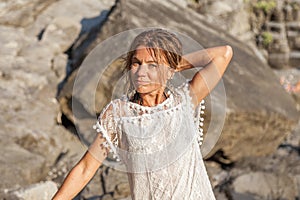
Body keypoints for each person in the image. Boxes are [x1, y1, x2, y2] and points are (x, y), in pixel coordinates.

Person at [52, 28, 233, 200]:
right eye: (136, 63)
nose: (141, 72)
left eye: (152, 65)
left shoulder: (185, 100)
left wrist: (171, 65)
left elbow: (224, 53)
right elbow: (86, 168)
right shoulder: (119, 114)